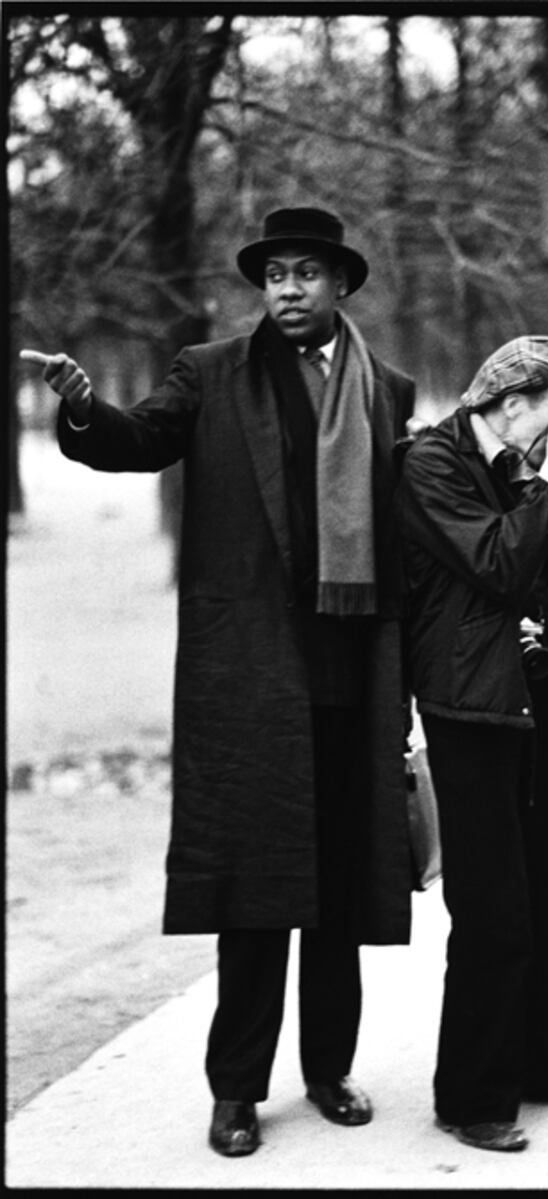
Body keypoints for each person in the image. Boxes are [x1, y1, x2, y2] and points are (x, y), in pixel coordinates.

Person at [23, 207, 415, 1158]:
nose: (289, 289)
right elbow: (135, 439)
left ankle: (328, 1070)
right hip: (252, 677)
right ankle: (236, 1088)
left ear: (340, 284)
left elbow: (408, 520)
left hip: (354, 673)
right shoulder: (212, 372)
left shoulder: (387, 391)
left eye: (307, 273)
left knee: (340, 889)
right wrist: (83, 406)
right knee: (254, 892)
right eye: (275, 274)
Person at [398, 335, 548, 1153]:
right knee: (492, 909)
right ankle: (470, 1096)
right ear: (511, 403)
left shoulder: (530, 460)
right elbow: (499, 561)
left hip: (530, 696)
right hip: (469, 708)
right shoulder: (432, 465)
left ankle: (543, 1063)